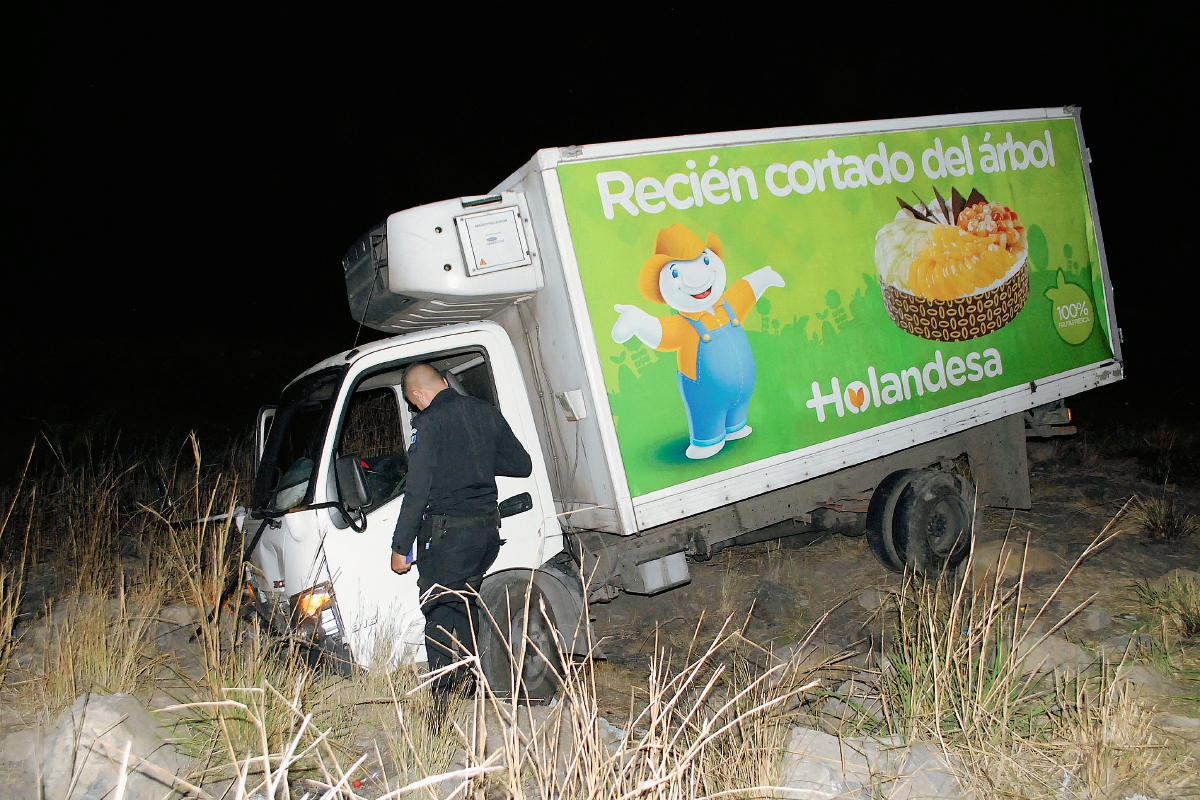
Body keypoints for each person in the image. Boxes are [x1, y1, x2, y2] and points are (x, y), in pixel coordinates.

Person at [390, 362, 533, 708]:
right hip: (486, 536)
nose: (416, 409)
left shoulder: (429, 424)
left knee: (439, 614)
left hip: (449, 538)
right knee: (465, 608)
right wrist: (476, 458)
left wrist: (399, 547)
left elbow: (417, 491)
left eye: (414, 404)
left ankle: (438, 713)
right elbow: (521, 464)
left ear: (419, 395)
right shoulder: (485, 412)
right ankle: (475, 691)